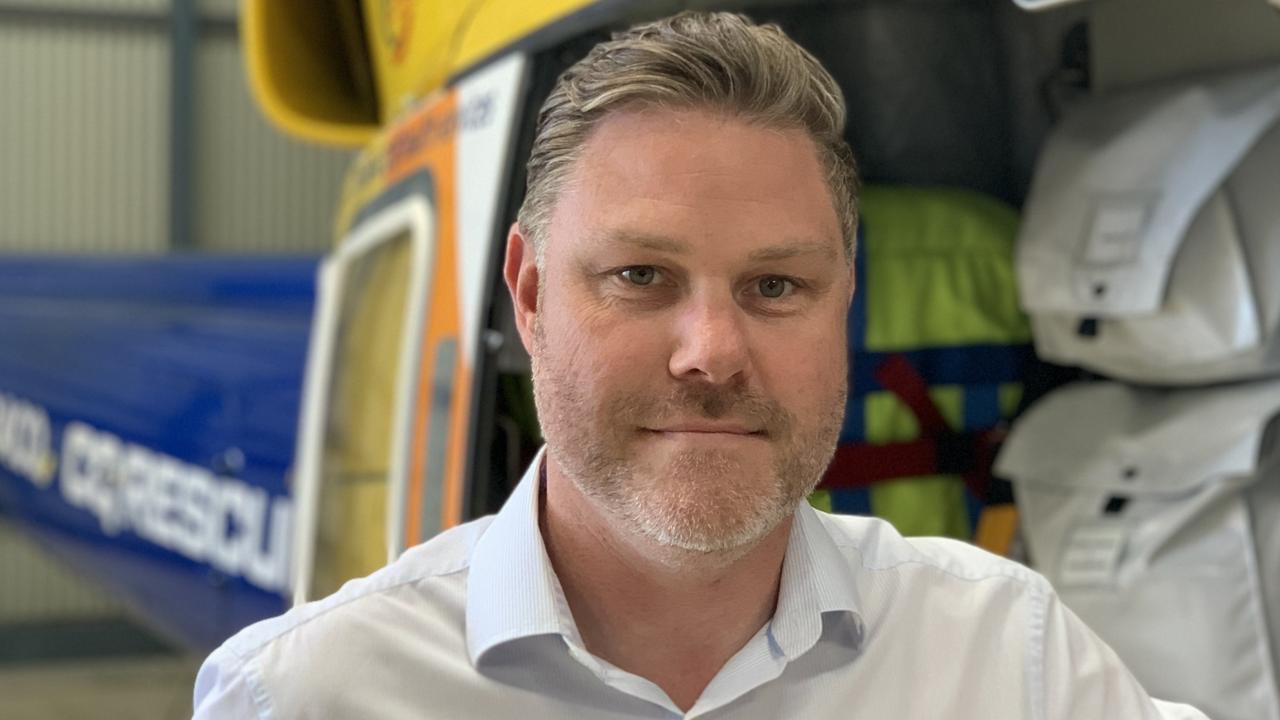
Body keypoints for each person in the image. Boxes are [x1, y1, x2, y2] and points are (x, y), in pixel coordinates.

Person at [193, 11, 1206, 719]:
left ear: (841, 299)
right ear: (531, 293)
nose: (711, 352)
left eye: (774, 287)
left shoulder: (1007, 658)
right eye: (640, 275)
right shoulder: (304, 695)